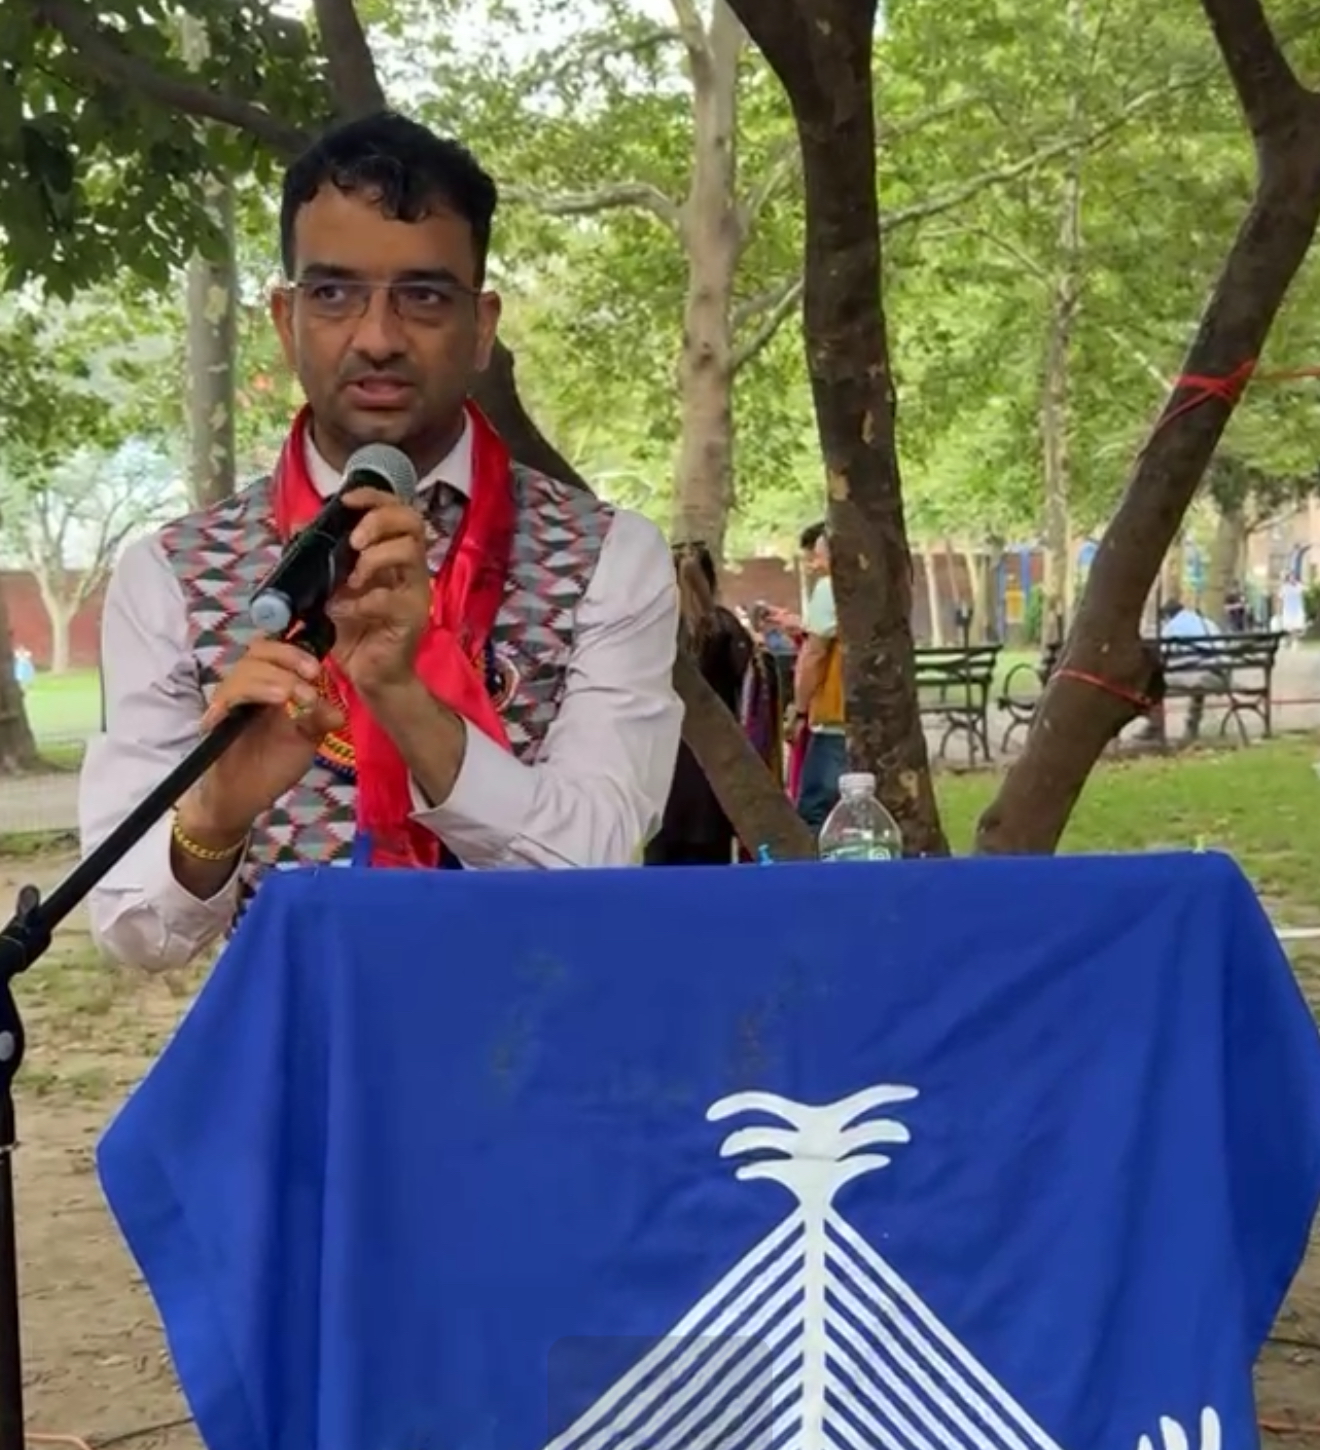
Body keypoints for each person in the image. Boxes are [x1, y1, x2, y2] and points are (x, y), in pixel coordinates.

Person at [79, 112, 683, 970]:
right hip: (300, 1047)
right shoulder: (173, 576)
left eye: (423, 296)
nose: (377, 337)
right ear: (285, 320)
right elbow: (135, 933)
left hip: (542, 1037)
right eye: (333, 294)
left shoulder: (609, 557)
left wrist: (402, 696)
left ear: (482, 326)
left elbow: (598, 867)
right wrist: (215, 812)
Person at [644, 544, 781, 866]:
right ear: (711, 579)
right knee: (710, 862)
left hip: (662, 767)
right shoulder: (725, 628)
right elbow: (752, 691)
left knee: (661, 863)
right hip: (713, 768)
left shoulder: (652, 630)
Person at [787, 522, 846, 831]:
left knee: (815, 812)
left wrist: (799, 709)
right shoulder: (882, 584)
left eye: (817, 557)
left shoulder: (830, 588)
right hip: (879, 718)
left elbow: (815, 654)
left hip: (836, 718)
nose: (814, 567)